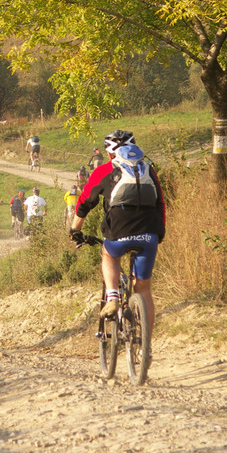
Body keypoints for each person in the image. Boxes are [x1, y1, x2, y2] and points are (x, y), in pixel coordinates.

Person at [70, 129, 165, 352]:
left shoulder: (105, 169)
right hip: (149, 231)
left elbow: (85, 200)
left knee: (109, 254)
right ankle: (146, 347)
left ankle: (112, 296)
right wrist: (159, 233)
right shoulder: (149, 169)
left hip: (119, 229)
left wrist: (75, 229)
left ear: (109, 151)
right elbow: (160, 203)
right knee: (144, 290)